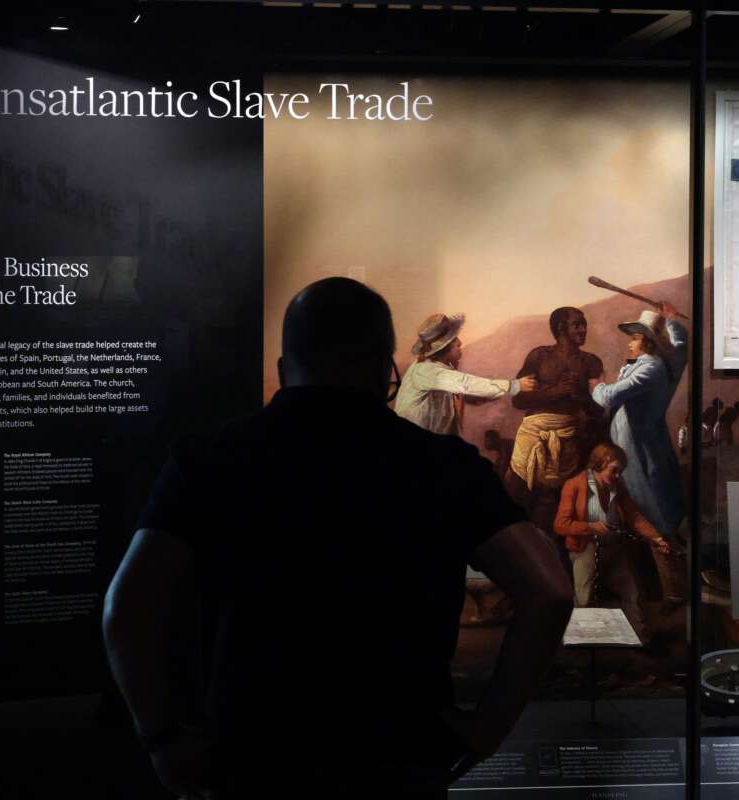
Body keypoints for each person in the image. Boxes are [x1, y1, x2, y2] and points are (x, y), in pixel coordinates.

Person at [102, 278, 574, 799]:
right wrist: (487, 731)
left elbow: (127, 607)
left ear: (285, 369)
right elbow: (549, 592)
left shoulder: (206, 460)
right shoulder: (446, 467)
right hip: (397, 762)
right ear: (384, 369)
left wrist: (162, 740)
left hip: (252, 760)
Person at [589, 302, 689, 604]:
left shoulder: (651, 369)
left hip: (639, 451)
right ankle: (660, 590)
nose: (629, 342)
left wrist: (595, 385)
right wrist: (672, 321)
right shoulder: (668, 363)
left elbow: (608, 397)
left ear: (645, 341)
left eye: (634, 337)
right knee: (646, 515)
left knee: (650, 517)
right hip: (644, 446)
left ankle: (674, 593)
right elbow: (682, 346)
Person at [504, 306, 604, 554]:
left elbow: (600, 409)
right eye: (577, 324)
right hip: (533, 437)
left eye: (584, 324)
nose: (583, 329)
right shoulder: (539, 357)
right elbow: (518, 400)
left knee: (563, 509)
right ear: (561, 328)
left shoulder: (590, 362)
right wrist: (555, 392)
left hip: (570, 444)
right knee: (515, 498)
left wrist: (579, 396)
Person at [553, 442, 669, 640]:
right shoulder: (574, 485)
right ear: (600, 463)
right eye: (614, 470)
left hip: (614, 548)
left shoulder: (617, 486)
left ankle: (642, 639)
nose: (617, 476)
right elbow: (560, 525)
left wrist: (656, 537)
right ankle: (585, 643)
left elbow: (633, 516)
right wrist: (589, 527)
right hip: (585, 548)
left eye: (620, 472)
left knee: (633, 592)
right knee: (584, 598)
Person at [394, 311, 536, 436]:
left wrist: (485, 396)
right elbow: (465, 384)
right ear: (444, 348)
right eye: (455, 341)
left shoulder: (437, 369)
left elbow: (459, 391)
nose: (460, 343)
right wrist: (515, 386)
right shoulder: (426, 370)